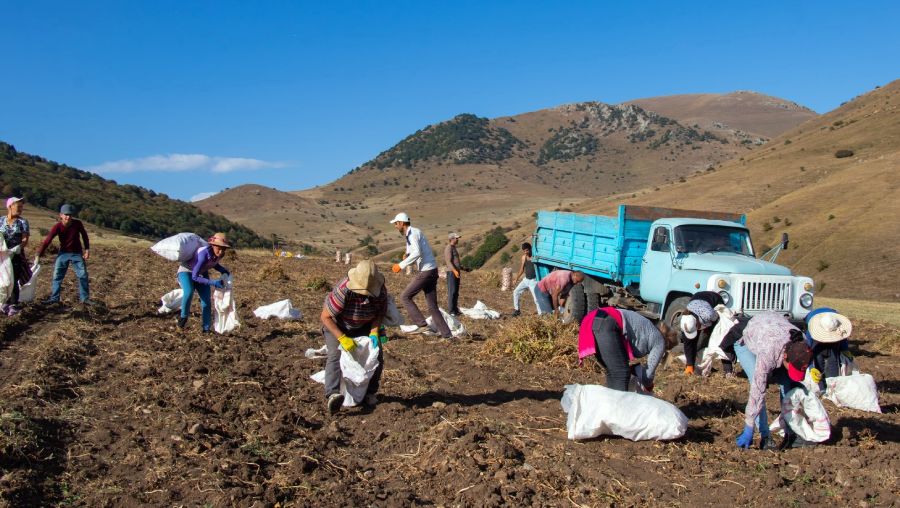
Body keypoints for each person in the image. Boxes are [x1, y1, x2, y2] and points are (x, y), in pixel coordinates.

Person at [733, 311, 813, 450]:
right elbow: (758, 392)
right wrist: (749, 426)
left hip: (774, 334)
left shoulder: (802, 344)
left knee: (789, 387)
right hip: (749, 342)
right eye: (792, 368)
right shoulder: (768, 351)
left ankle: (791, 433)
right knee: (757, 384)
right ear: (786, 357)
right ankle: (765, 436)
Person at [320, 260, 389, 414]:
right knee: (335, 355)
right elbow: (325, 317)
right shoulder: (344, 289)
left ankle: (370, 392)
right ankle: (332, 394)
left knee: (377, 356)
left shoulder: (380, 291)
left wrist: (374, 331)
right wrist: (342, 338)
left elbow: (380, 313)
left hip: (364, 325)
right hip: (338, 325)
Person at [578, 306, 679, 391]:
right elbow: (648, 374)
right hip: (608, 323)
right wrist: (649, 387)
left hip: (593, 319)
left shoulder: (650, 328)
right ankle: (618, 412)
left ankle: (611, 406)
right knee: (621, 373)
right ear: (668, 345)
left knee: (613, 372)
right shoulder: (660, 341)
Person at [389, 212, 452, 338]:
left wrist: (401, 265)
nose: (395, 226)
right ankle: (447, 335)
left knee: (405, 297)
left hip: (426, 271)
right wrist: (407, 254)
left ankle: (422, 325)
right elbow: (414, 249)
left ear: (402, 223)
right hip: (432, 270)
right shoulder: (410, 234)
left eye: (396, 223)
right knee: (433, 306)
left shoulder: (412, 233)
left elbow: (417, 252)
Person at [36, 204, 92, 305]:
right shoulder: (57, 227)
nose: (68, 217)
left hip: (76, 253)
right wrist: (38, 255)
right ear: (61, 215)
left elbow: (84, 236)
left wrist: (87, 250)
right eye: (66, 215)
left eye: (70, 215)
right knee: (57, 276)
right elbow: (47, 240)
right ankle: (54, 298)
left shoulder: (77, 224)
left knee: (83, 275)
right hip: (63, 253)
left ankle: (85, 298)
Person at [176, 233, 231, 333]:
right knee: (189, 292)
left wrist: (222, 270)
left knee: (206, 301)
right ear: (213, 245)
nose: (222, 250)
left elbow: (213, 263)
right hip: (187, 271)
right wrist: (213, 283)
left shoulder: (219, 254)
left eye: (224, 248)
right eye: (219, 247)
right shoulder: (203, 254)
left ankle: (206, 329)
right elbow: (194, 276)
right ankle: (183, 318)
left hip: (201, 273)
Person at [805, 308, 853, 391]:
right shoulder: (812, 329)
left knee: (833, 360)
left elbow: (842, 336)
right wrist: (811, 367)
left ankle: (832, 388)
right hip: (817, 339)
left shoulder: (837, 322)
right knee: (818, 360)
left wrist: (845, 349)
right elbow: (807, 351)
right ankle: (821, 388)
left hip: (832, 324)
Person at [679, 291, 724, 375]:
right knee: (690, 341)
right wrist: (689, 365)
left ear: (698, 324)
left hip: (714, 300)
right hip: (696, 299)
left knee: (708, 339)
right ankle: (690, 366)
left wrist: (708, 329)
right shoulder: (685, 321)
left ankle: (708, 365)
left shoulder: (708, 314)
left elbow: (717, 318)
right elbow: (688, 344)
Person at [1, 197, 30, 316]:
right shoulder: (1, 221)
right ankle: (3, 302)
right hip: (2, 255)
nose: (20, 210)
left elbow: (25, 239)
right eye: (18, 207)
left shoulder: (23, 222)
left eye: (21, 207)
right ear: (10, 207)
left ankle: (13, 304)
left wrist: (18, 247)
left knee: (13, 279)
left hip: (16, 254)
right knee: (3, 280)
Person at [512, 242, 541, 316]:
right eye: (524, 251)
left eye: (527, 250)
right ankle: (517, 310)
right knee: (516, 292)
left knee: (536, 299)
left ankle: (541, 314)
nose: (526, 252)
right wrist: (516, 278)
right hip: (526, 280)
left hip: (533, 281)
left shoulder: (535, 257)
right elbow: (522, 269)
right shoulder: (524, 257)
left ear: (530, 249)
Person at [444, 232, 462, 316]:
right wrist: (454, 271)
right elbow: (448, 261)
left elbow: (456, 261)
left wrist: (463, 268)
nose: (458, 239)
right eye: (456, 238)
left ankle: (455, 309)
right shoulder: (449, 248)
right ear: (452, 239)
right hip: (451, 272)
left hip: (456, 272)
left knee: (456, 292)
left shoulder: (454, 248)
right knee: (452, 291)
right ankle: (451, 311)